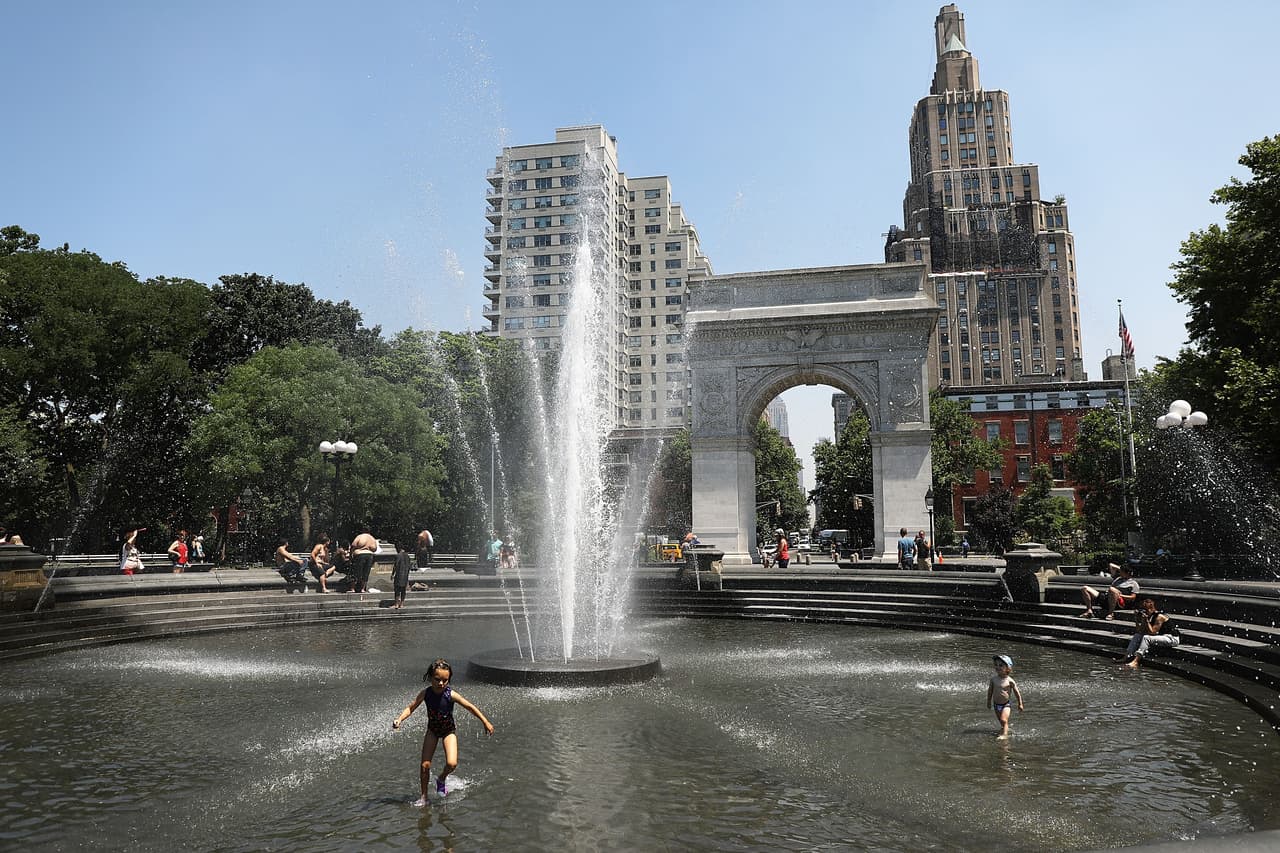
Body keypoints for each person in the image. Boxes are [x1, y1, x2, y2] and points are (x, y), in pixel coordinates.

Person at [392, 658, 495, 805]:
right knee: (424, 765)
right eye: (437, 679)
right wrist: (400, 719)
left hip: (448, 731)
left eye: (445, 680)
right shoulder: (426, 693)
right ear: (430, 677)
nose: (441, 683)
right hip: (432, 731)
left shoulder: (450, 695)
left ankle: (441, 778)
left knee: (452, 763)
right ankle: (424, 797)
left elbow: (470, 707)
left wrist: (485, 722)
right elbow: (411, 707)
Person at [1121, 597, 1181, 669]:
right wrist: (1137, 619)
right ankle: (1126, 657)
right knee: (1137, 635)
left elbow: (1152, 632)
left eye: (1145, 610)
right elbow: (1139, 631)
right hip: (1161, 636)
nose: (1144, 612)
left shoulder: (1159, 616)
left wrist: (1146, 621)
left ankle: (1136, 661)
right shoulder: (1147, 616)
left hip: (1172, 638)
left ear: (1151, 607)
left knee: (1146, 638)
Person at [986, 654, 1025, 740]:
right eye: (996, 665)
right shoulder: (993, 679)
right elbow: (990, 691)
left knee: (1004, 720)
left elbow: (1016, 692)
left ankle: (1005, 735)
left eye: (1001, 665)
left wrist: (1020, 704)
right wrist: (988, 701)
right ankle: (1005, 729)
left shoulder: (1009, 680)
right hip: (996, 704)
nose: (997, 667)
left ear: (1008, 668)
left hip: (1006, 705)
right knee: (1001, 721)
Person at [350, 526, 379, 594]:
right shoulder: (372, 538)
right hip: (369, 555)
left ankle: (353, 588)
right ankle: (362, 588)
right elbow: (375, 549)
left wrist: (351, 555)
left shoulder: (360, 536)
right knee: (366, 572)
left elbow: (353, 545)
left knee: (356, 572)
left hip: (360, 554)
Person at [392, 541, 412, 609]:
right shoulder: (407, 556)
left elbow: (396, 566)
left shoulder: (398, 555)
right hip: (405, 575)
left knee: (397, 590)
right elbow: (409, 566)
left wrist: (392, 574)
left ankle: (396, 604)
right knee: (403, 590)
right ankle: (402, 604)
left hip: (399, 575)